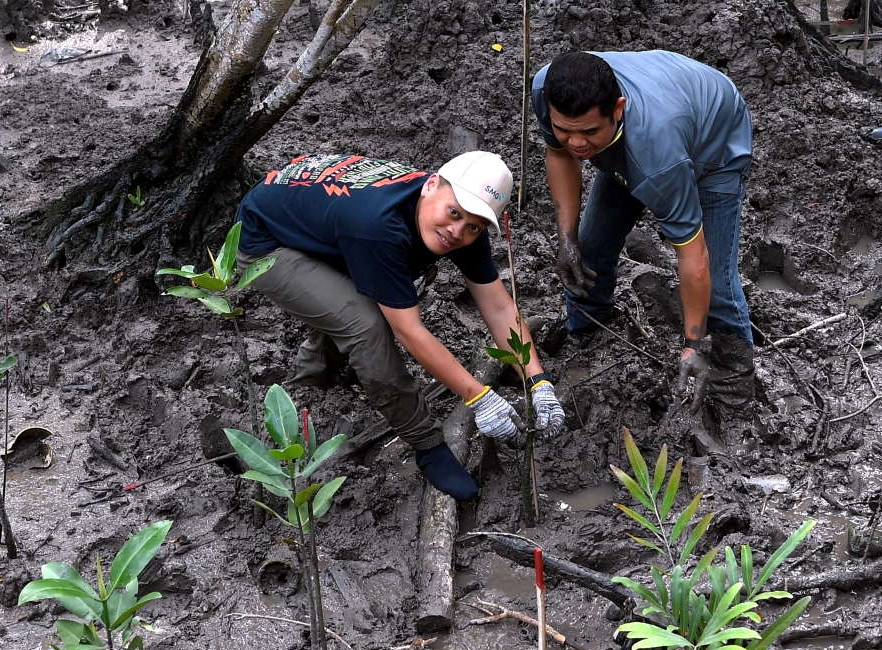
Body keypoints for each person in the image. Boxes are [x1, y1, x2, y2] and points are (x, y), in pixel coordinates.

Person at [235, 151, 565, 501]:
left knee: (364, 294)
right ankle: (427, 446)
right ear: (432, 184)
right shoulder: (377, 226)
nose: (457, 232)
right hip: (267, 240)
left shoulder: (464, 219)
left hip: (323, 222)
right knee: (368, 325)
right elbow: (409, 330)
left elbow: (499, 308)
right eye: (453, 213)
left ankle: (312, 380)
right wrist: (479, 397)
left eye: (474, 226)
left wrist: (537, 381)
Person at [532, 51, 755, 415]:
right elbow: (559, 155)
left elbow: (693, 258)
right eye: (564, 129)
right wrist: (566, 238)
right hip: (660, 108)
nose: (576, 143)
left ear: (618, 108)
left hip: (716, 136)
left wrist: (692, 346)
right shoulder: (548, 87)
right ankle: (588, 332)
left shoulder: (659, 161)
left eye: (588, 131)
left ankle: (734, 389)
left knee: (717, 284)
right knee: (587, 249)